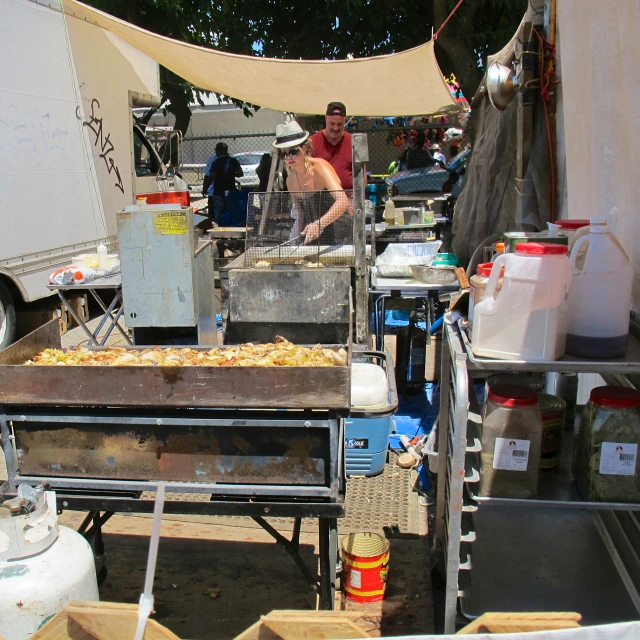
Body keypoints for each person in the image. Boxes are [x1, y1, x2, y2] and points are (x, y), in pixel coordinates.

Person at [273, 121, 350, 244]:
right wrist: (299, 241)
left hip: (339, 235)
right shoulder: (290, 180)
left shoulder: (320, 167)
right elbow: (301, 214)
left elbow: (343, 201)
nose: (288, 157)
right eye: (284, 154)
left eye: (293, 152)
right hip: (314, 238)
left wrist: (319, 224)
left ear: (305, 147)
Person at [310, 101, 354, 189]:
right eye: (332, 124)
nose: (336, 128)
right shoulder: (312, 142)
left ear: (345, 120)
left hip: (350, 197)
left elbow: (361, 176)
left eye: (340, 124)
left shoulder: (353, 141)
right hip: (320, 198)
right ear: (325, 118)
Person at [202, 142, 243, 220]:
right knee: (231, 211)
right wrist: (231, 174)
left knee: (219, 213)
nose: (216, 152)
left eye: (217, 150)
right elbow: (240, 174)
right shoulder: (233, 161)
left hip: (218, 192)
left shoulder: (216, 162)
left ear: (221, 150)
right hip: (231, 191)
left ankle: (221, 227)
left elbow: (211, 177)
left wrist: (205, 188)